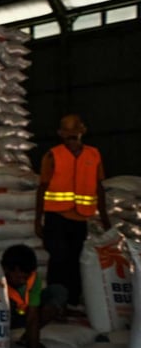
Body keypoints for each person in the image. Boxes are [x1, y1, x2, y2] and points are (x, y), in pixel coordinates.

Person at [34, 113, 111, 308]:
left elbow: (98, 187)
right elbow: (42, 188)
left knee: (76, 260)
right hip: (56, 218)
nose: (72, 137)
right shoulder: (53, 155)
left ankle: (73, 301)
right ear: (60, 134)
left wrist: (105, 219)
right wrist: (38, 220)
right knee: (59, 259)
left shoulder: (93, 155)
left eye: (75, 133)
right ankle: (55, 302)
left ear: (82, 132)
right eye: (68, 133)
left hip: (80, 219)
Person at [1, 244, 67, 348]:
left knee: (58, 291)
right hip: (3, 318)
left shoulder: (33, 279)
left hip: (22, 315)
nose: (23, 281)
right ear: (7, 270)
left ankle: (27, 339)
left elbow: (33, 317)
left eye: (26, 277)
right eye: (19, 277)